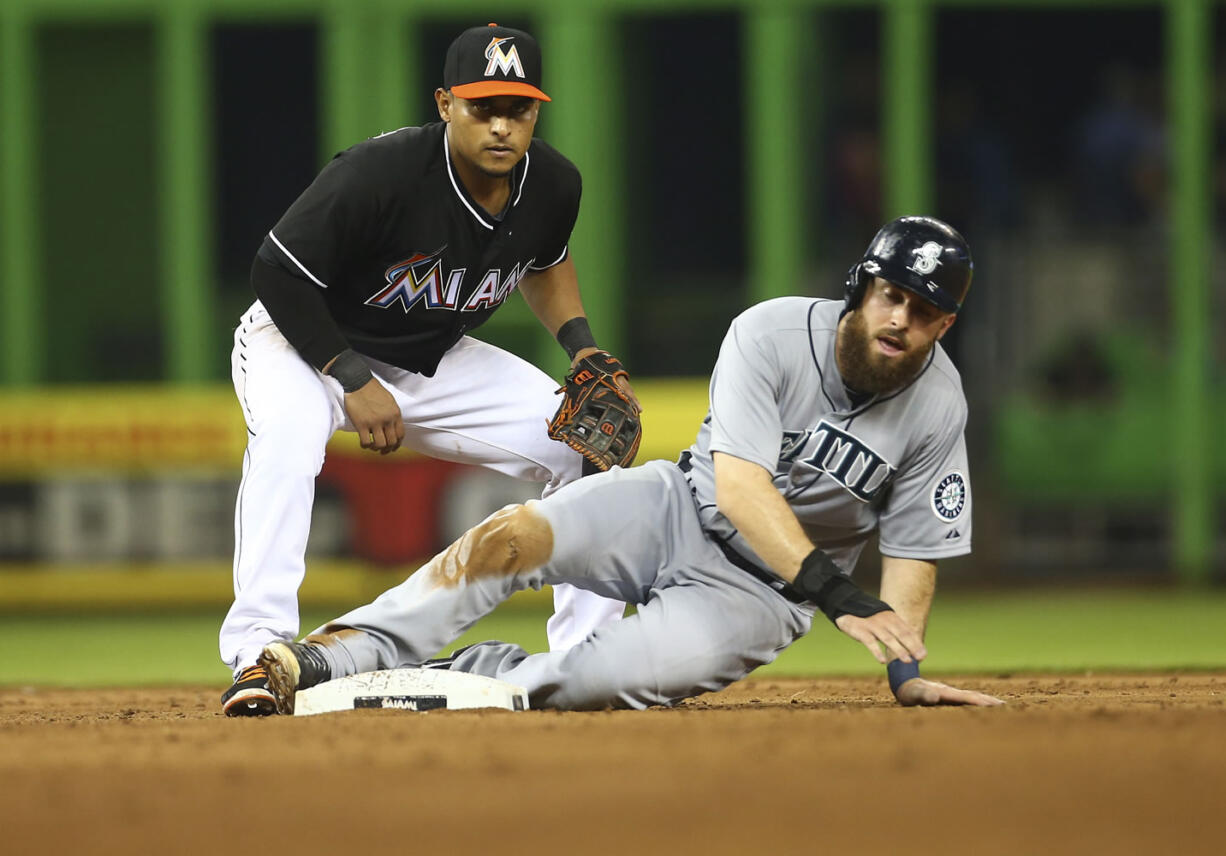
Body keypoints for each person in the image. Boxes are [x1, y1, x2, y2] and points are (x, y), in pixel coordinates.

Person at [258, 216, 1005, 712]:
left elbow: (914, 550)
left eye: (925, 310)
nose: (903, 318)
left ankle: (476, 676)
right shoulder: (771, 333)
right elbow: (742, 487)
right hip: (675, 507)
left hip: (759, 600)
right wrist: (840, 593)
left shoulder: (939, 406)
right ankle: (338, 656)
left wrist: (905, 675)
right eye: (893, 295)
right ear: (863, 288)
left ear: (946, 324)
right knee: (510, 538)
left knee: (589, 683)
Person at [220, 24, 635, 716]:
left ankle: (589, 662)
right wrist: (350, 376)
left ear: (537, 112)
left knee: (585, 448)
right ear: (445, 103)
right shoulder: (381, 174)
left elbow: (546, 259)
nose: (502, 126)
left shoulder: (554, 182)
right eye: (483, 108)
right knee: (289, 444)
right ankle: (258, 654)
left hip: (425, 357)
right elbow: (277, 271)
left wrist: (581, 345)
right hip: (301, 341)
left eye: (519, 109)